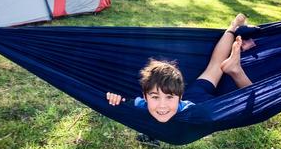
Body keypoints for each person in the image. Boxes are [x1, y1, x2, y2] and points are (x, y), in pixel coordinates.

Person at [106, 14, 253, 123]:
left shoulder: (197, 112)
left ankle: (235, 60)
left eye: (168, 97)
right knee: (214, 66)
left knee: (249, 103)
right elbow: (121, 102)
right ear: (145, 97)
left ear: (180, 97)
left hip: (203, 102)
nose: (162, 105)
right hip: (192, 92)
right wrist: (115, 99)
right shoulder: (140, 104)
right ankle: (234, 30)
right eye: (155, 97)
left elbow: (250, 106)